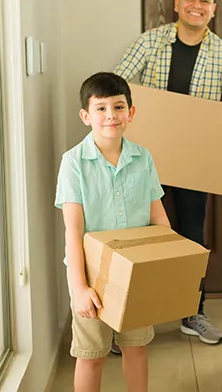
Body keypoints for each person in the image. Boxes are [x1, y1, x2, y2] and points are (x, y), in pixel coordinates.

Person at [114, 0, 222, 345]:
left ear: (213, 10)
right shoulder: (151, 42)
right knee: (138, 235)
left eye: (205, 1)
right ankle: (127, 320)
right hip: (144, 161)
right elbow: (115, 84)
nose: (197, 6)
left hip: (194, 166)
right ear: (177, 3)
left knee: (192, 238)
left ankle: (192, 312)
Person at [55, 72, 170, 392]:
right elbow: (73, 231)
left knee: (136, 347)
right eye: (101, 108)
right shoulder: (73, 163)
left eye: (118, 107)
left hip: (135, 272)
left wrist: (165, 263)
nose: (111, 116)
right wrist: (79, 287)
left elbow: (158, 217)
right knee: (91, 355)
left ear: (131, 113)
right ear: (86, 116)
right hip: (92, 275)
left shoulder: (142, 158)